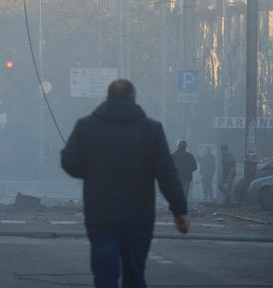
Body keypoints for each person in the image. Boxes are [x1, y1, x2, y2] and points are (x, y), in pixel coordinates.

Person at [60, 79, 189, 288]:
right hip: (138, 216)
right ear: (133, 98)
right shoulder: (151, 130)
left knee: (105, 274)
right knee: (135, 274)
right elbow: (167, 174)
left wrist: (89, 172)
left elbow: (68, 161)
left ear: (108, 98)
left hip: (100, 214)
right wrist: (180, 211)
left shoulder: (86, 126)